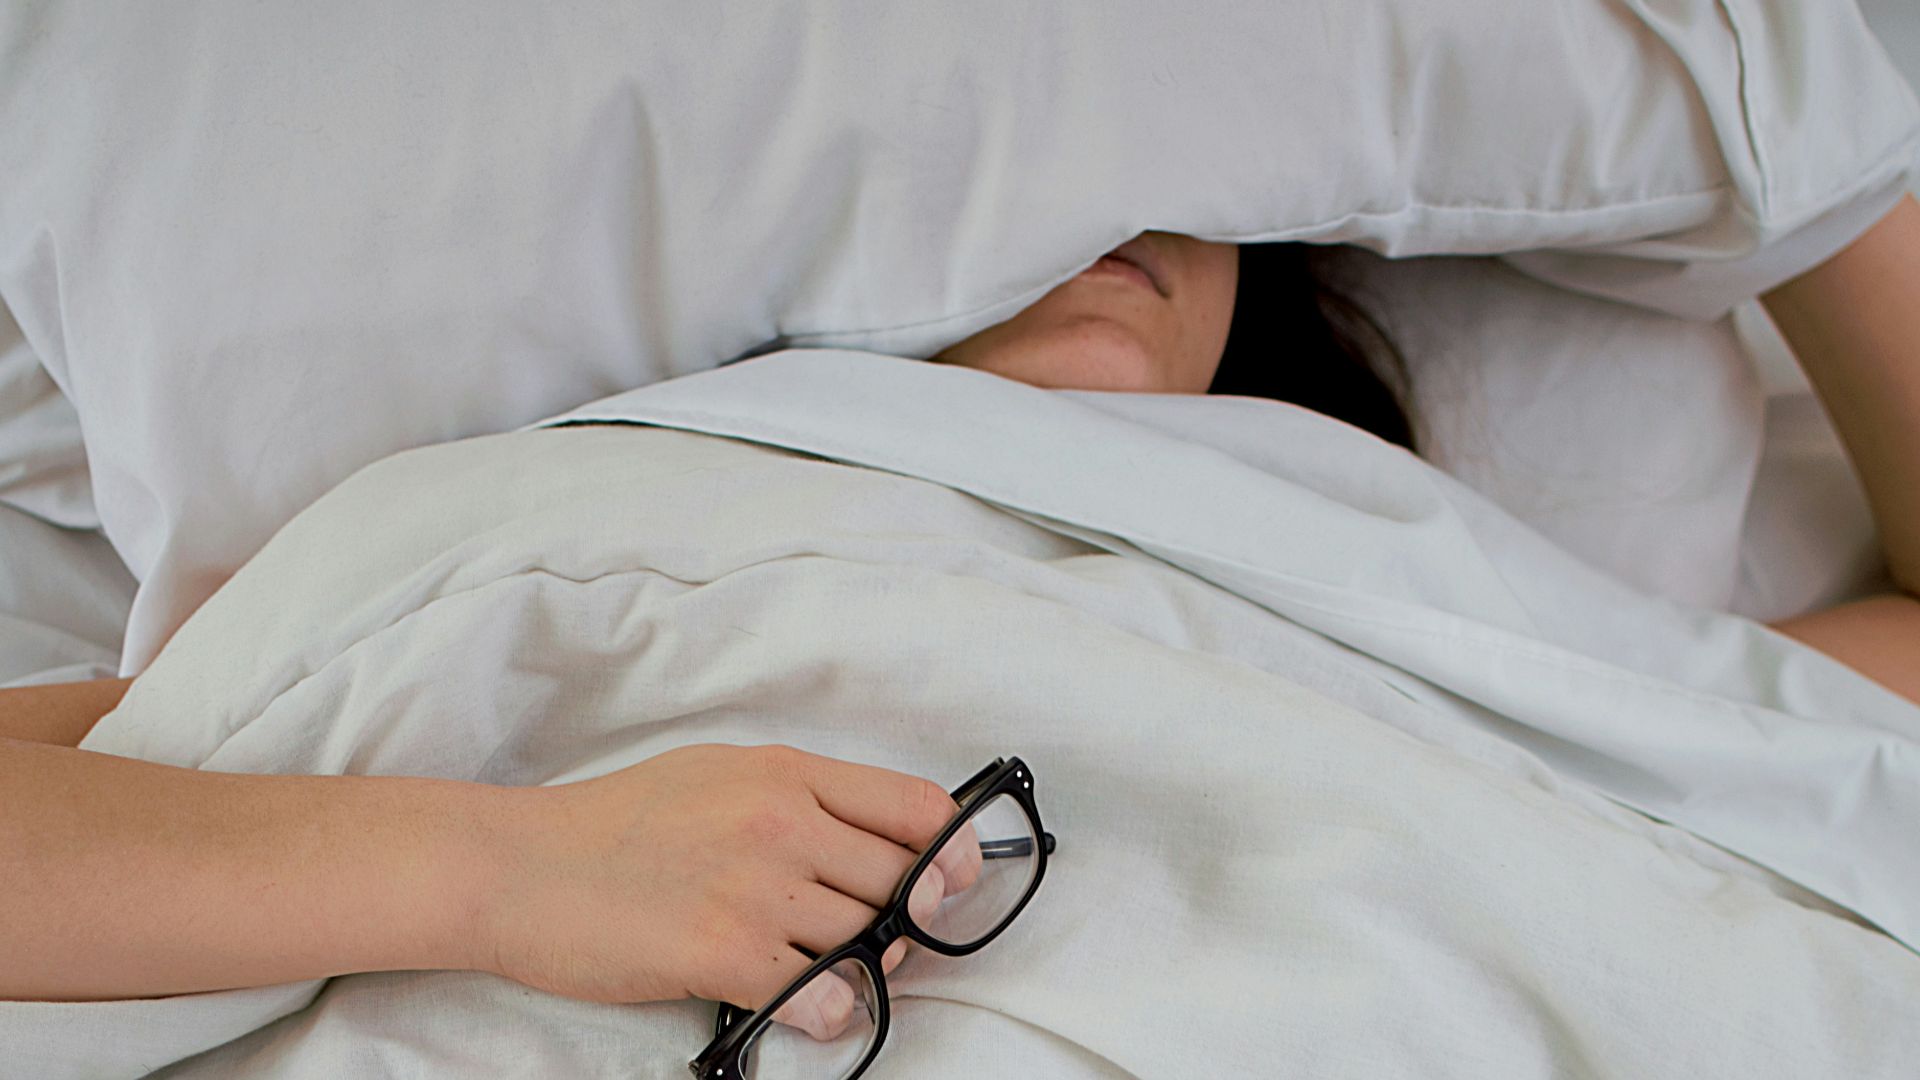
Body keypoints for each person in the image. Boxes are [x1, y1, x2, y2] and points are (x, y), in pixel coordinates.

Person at [3, 200, 1916, 1029]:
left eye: (1175, 163)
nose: (1110, 208)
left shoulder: (1416, 590)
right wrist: (512, 873)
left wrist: (1797, 124)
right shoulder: (571, 523)